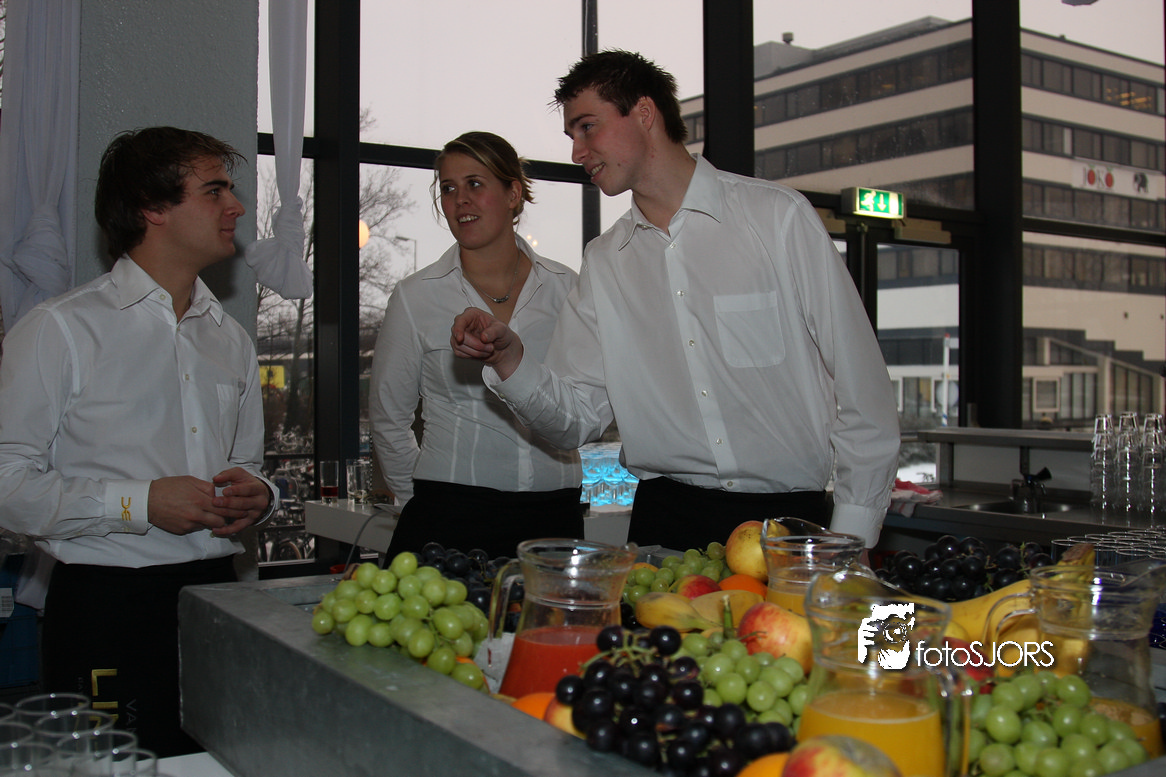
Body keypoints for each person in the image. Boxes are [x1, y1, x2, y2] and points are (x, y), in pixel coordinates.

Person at [452, 51, 900, 552]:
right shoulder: (605, 261)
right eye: (571, 135)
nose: (577, 152)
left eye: (587, 127)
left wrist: (853, 540)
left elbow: (864, 392)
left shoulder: (778, 218)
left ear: (644, 113)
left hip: (788, 526)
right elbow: (575, 419)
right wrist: (510, 359)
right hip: (664, 527)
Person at [0, 127, 278, 756]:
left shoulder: (230, 338)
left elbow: (247, 464)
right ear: (152, 207)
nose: (236, 206)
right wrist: (139, 502)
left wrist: (258, 494)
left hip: (219, 598)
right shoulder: (59, 329)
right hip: (106, 606)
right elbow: (8, 486)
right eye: (215, 191)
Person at [370, 131, 582, 559]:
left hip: (554, 513)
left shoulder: (569, 289)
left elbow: (584, 400)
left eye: (475, 183)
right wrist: (421, 500)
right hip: (448, 514)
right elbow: (388, 418)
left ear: (513, 194)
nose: (459, 199)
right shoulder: (416, 296)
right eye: (448, 188)